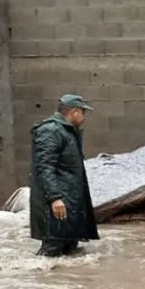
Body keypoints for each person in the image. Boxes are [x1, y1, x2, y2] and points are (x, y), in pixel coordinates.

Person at [30, 95, 99, 257]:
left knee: (69, 251)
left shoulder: (67, 131)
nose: (84, 117)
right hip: (57, 203)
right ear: (74, 112)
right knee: (51, 251)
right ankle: (41, 280)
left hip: (70, 202)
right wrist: (55, 198)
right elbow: (44, 167)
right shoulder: (51, 130)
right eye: (83, 112)